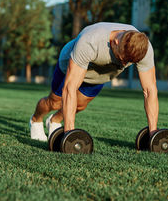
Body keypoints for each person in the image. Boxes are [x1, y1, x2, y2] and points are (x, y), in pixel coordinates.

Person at [29, 22, 158, 141]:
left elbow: (149, 91)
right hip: (71, 65)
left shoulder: (143, 48)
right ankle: (36, 120)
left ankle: (54, 121)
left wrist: (153, 134)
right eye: (122, 58)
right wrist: (69, 134)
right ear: (116, 42)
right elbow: (70, 88)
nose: (124, 64)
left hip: (98, 76)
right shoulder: (90, 41)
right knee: (55, 102)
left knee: (80, 105)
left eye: (128, 62)